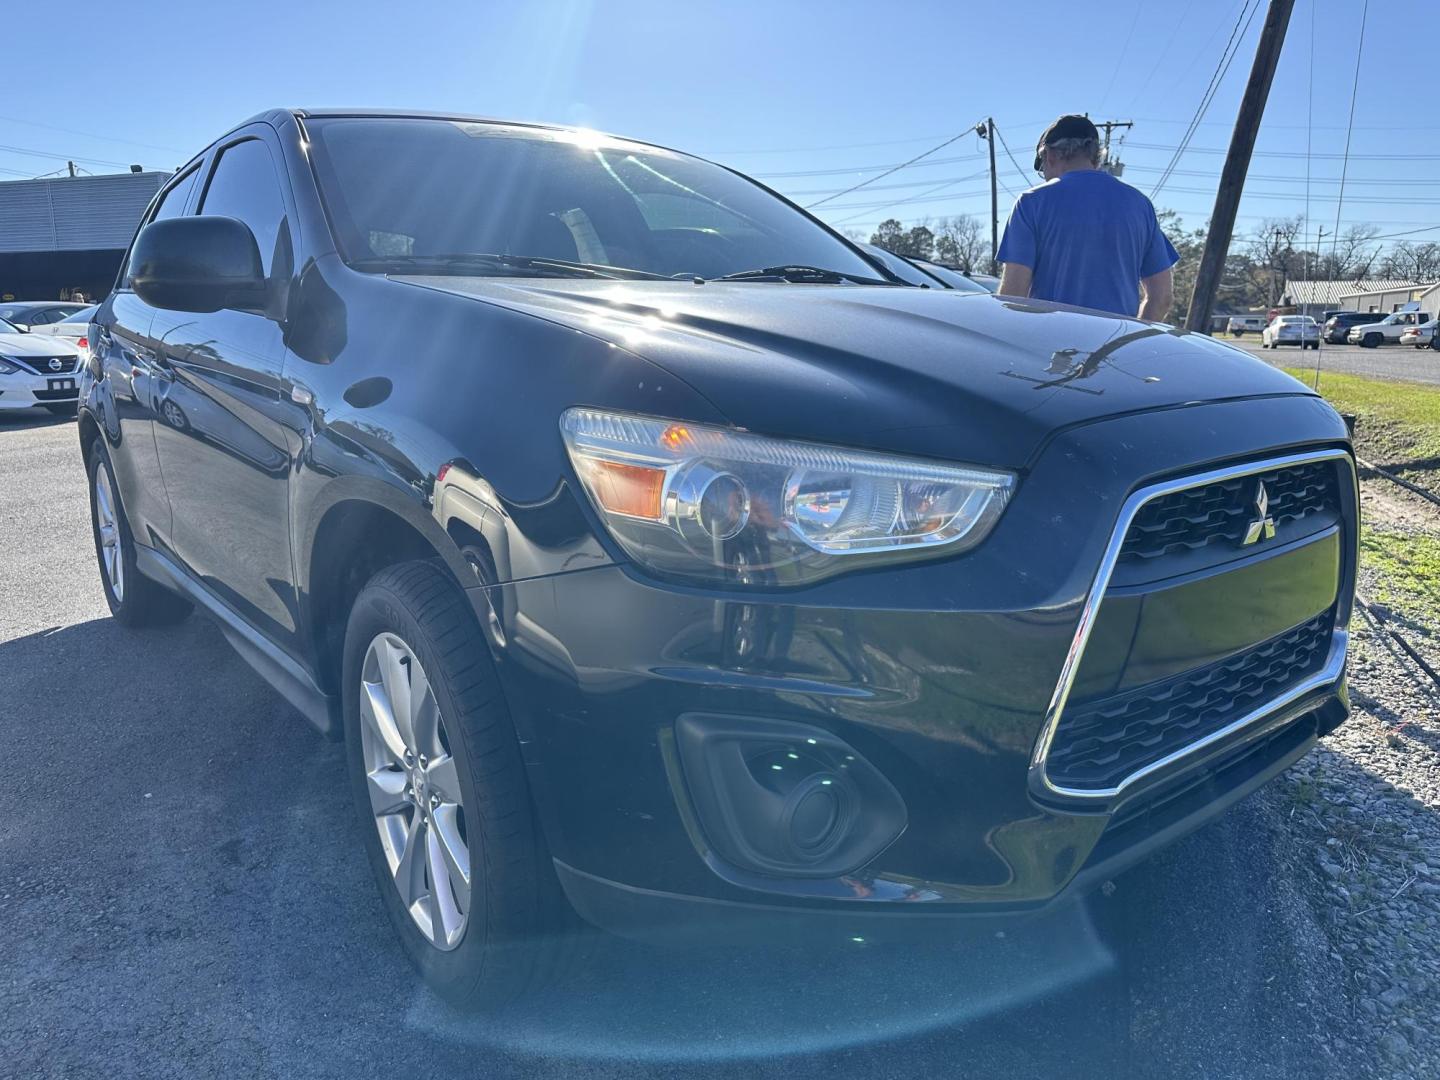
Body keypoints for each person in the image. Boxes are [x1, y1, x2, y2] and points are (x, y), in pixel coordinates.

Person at [996, 114, 1178, 321]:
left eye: (1042, 169)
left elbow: (1013, 297)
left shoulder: (1031, 203)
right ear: (1096, 156)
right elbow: (1162, 297)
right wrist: (1130, 343)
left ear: (1049, 155)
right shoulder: (1140, 205)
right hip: (1115, 348)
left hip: (1050, 346)